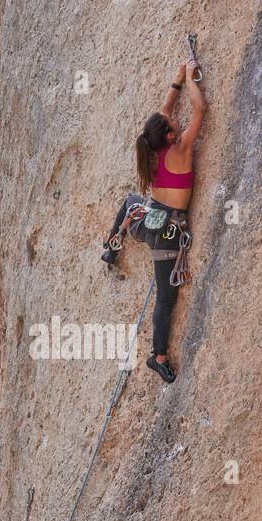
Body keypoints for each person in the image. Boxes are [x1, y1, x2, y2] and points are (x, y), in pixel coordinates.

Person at [101, 56, 207, 382]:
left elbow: (165, 111)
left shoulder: (154, 147)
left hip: (146, 220)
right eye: (173, 124)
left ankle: (112, 245)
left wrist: (177, 79)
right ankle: (157, 357)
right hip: (168, 234)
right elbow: (201, 110)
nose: (176, 121)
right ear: (172, 136)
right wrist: (190, 78)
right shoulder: (181, 150)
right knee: (166, 298)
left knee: (131, 201)